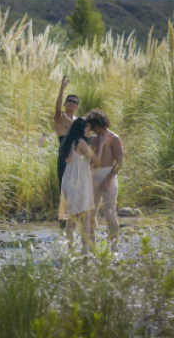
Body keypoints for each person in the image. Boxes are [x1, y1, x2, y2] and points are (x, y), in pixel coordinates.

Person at [42, 76, 79, 229]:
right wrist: (62, 89)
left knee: (76, 188)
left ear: (77, 106)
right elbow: (57, 109)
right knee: (63, 187)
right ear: (65, 103)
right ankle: (63, 223)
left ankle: (74, 221)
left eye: (74, 102)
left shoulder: (78, 121)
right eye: (69, 100)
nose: (71, 103)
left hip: (77, 157)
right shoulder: (60, 118)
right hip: (64, 156)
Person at [86, 109, 123, 252]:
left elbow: (119, 163)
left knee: (109, 213)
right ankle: (91, 248)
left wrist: (107, 180)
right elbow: (89, 161)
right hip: (93, 176)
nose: (92, 129)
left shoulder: (114, 138)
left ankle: (114, 248)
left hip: (108, 175)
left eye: (94, 125)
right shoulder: (92, 139)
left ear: (100, 123)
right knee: (90, 213)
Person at [58, 117, 98, 252]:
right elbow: (95, 159)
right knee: (85, 215)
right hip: (80, 181)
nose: (89, 131)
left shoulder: (67, 142)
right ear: (82, 129)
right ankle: (85, 250)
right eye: (87, 129)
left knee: (71, 217)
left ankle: (70, 248)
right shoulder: (80, 142)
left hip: (69, 180)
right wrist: (102, 144)